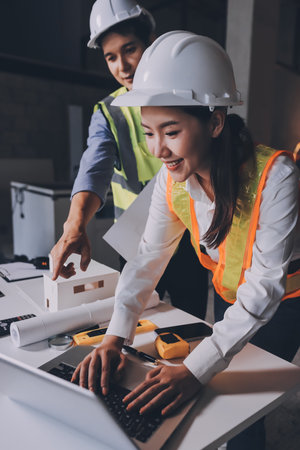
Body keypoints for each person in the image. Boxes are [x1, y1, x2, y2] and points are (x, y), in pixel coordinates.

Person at [71, 31, 300, 449]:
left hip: (286, 299)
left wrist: (196, 369)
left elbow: (265, 286)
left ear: (214, 121)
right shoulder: (171, 180)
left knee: (241, 402)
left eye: (171, 131)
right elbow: (148, 257)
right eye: (149, 132)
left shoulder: (276, 178)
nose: (158, 149)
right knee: (217, 386)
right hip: (234, 293)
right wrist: (114, 337)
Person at [50, 0, 208, 320]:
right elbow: (94, 169)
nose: (122, 66)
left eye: (130, 49)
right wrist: (75, 224)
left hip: (189, 241)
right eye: (111, 57)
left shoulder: (187, 99)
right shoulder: (109, 113)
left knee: (186, 326)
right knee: (135, 323)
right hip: (136, 244)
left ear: (151, 43)